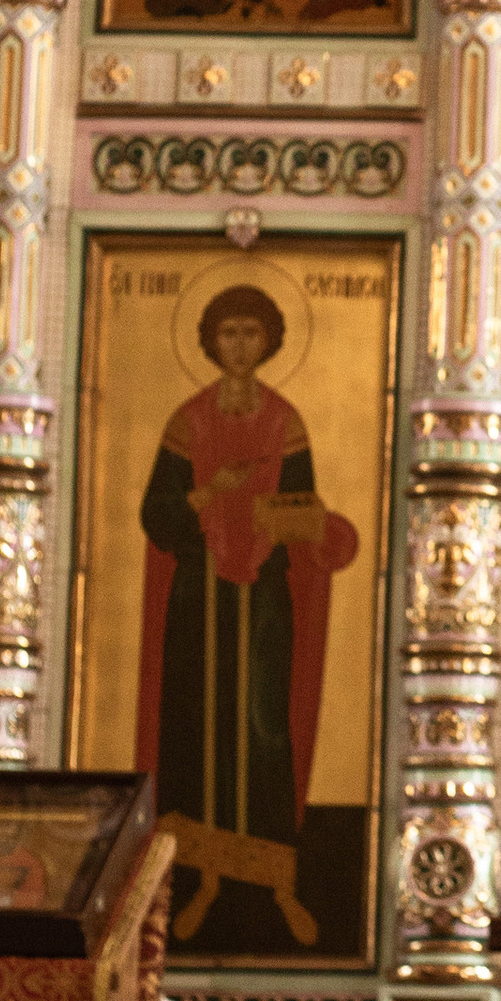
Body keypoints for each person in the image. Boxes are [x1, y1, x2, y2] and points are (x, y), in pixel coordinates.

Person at [136, 281, 358, 952]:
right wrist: (210, 495)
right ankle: (193, 878)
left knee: (263, 725)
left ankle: (273, 877)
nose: (238, 345)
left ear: (269, 343)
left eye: (250, 334)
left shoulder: (286, 421)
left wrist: (282, 518)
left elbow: (304, 507)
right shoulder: (188, 421)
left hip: (262, 597)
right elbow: (158, 514)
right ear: (210, 341)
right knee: (199, 725)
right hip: (198, 596)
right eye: (227, 333)